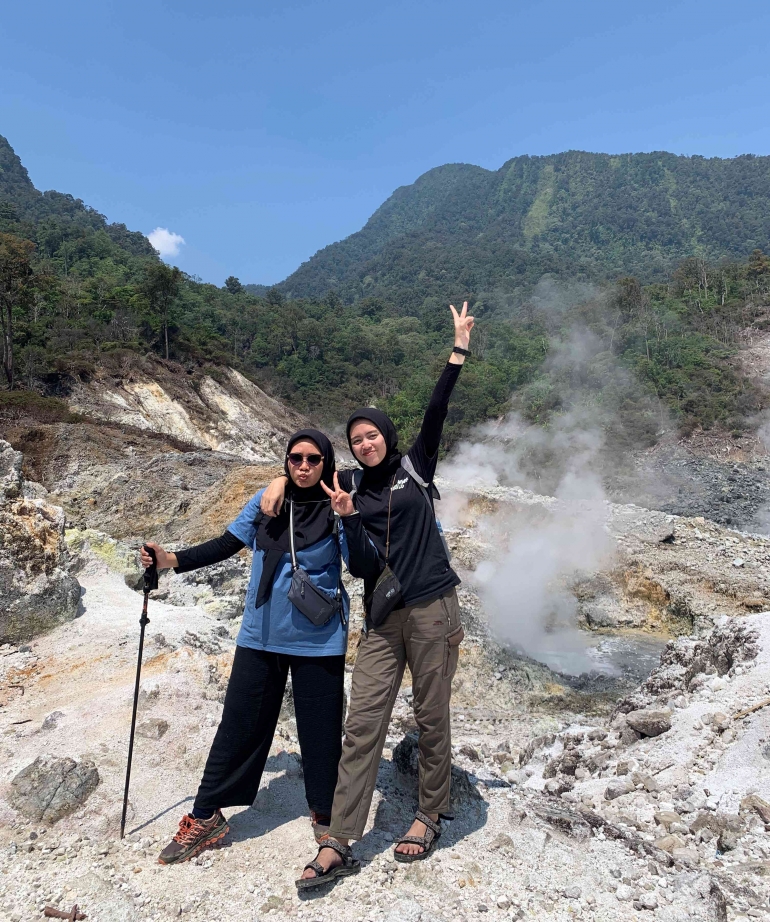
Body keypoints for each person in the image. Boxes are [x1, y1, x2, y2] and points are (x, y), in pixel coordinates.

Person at [259, 303, 474, 887]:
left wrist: (457, 352)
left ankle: (431, 813)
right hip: (383, 615)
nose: (365, 444)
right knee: (363, 723)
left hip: (431, 607)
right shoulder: (347, 484)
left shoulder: (415, 467)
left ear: (386, 436)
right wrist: (281, 477)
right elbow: (308, 473)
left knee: (431, 716)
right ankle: (339, 839)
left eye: (371, 435)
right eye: (356, 439)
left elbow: (437, 411)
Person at [140, 428, 380, 865]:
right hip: (261, 635)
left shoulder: (338, 502)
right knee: (238, 725)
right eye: (295, 459)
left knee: (322, 731)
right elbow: (226, 545)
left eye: (313, 459)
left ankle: (326, 813)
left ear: (327, 462)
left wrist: (348, 517)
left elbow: (362, 566)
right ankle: (207, 814)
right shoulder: (265, 501)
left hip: (320, 639)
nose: (303, 466)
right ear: (285, 461)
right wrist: (171, 560)